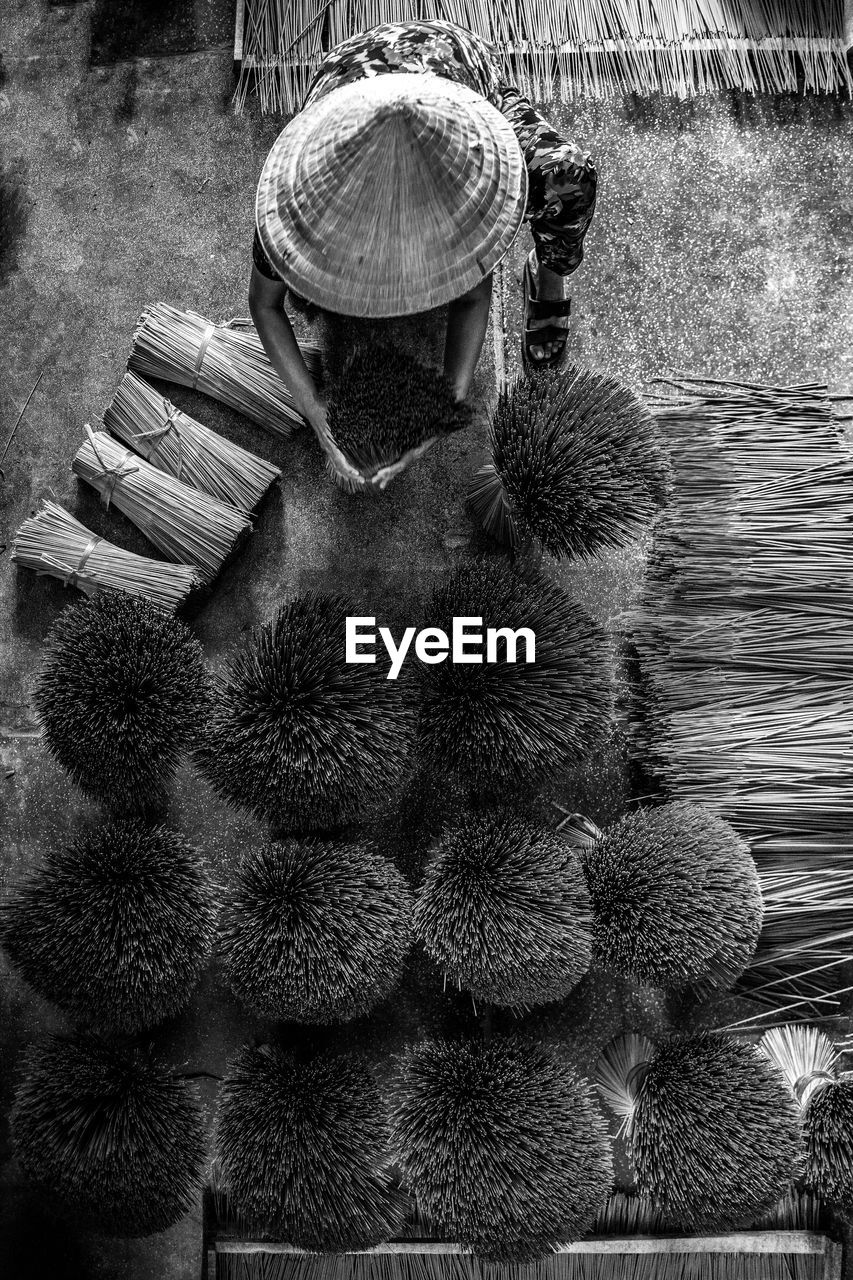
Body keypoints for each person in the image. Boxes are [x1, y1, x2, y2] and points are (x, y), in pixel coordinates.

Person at [249, 19, 597, 490]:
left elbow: (473, 296)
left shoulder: (457, 190)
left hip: (448, 66)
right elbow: (265, 305)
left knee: (567, 179)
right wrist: (318, 415)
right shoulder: (298, 208)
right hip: (349, 77)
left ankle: (547, 280)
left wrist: (442, 411)